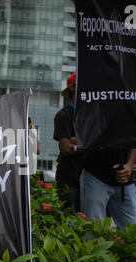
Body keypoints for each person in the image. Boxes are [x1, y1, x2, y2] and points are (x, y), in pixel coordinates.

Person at [53, 72, 82, 211]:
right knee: (67, 216)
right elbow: (65, 148)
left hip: (87, 177)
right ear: (72, 87)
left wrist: (77, 142)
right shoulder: (63, 115)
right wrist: (88, 144)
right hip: (68, 177)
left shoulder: (92, 115)